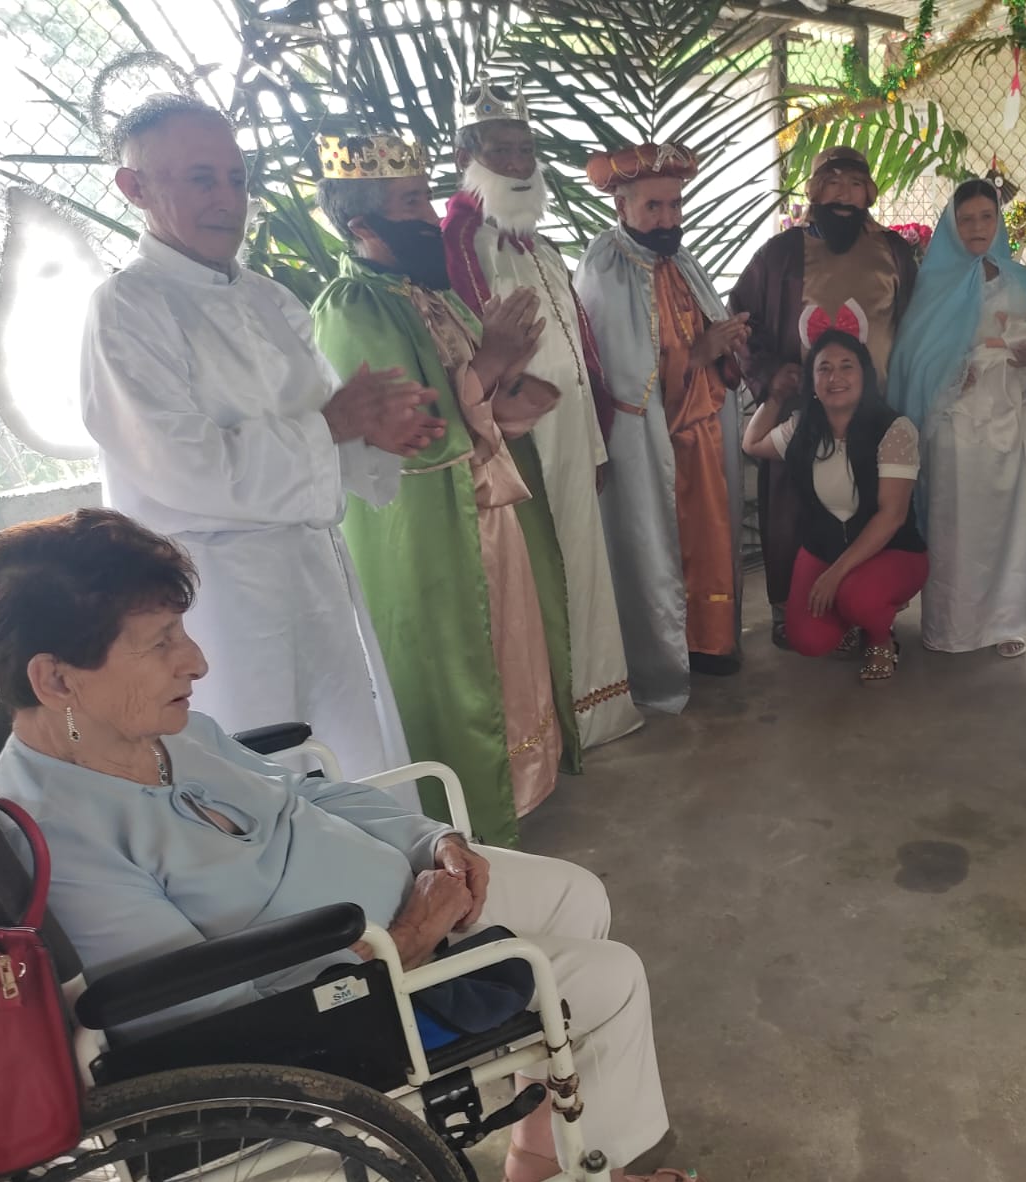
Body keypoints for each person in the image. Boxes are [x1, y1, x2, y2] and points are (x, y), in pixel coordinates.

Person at [0, 508, 709, 1182]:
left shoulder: (163, 731)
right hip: (345, 992)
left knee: (578, 894)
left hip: (400, 905)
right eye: (159, 643)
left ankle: (543, 1151)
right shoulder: (59, 836)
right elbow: (202, 1015)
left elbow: (305, 794)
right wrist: (408, 940)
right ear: (56, 680)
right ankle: (591, 1173)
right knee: (611, 980)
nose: (197, 661)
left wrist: (433, 840)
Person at [80, 95, 438, 783]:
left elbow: (327, 423)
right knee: (258, 769)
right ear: (134, 187)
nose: (227, 200)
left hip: (314, 572)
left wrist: (376, 436)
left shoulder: (271, 300)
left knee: (349, 753)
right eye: (201, 179)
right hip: (218, 594)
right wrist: (335, 428)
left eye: (236, 178)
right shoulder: (127, 308)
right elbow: (182, 466)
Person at [309, 131, 561, 844]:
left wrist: (506, 370)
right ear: (364, 225)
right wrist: (493, 361)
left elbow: (480, 394)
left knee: (510, 647)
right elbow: (417, 431)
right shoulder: (353, 306)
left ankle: (519, 782)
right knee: (457, 664)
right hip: (431, 520)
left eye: (424, 197)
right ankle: (470, 805)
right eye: (412, 202)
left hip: (486, 507)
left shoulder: (429, 292)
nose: (431, 215)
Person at [441, 81, 642, 757]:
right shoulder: (459, 244)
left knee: (585, 568)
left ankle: (600, 709)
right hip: (521, 443)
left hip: (571, 434)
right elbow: (467, 356)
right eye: (502, 150)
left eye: (526, 149)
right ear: (466, 158)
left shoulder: (543, 248)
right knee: (544, 577)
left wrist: (596, 440)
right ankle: (557, 724)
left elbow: (582, 351)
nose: (519, 164)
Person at [573, 141, 746, 708]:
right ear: (621, 206)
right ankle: (663, 657)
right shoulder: (607, 264)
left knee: (708, 539)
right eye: (654, 206)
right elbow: (626, 379)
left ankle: (708, 643)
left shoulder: (681, 260)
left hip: (701, 432)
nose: (668, 218)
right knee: (658, 546)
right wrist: (700, 353)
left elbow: (706, 334)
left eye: (675, 205)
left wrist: (727, 344)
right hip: (649, 440)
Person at [730, 147, 918, 649]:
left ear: (869, 194)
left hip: (873, 416)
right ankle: (787, 606)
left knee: (870, 505)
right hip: (800, 410)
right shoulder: (780, 255)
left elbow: (916, 326)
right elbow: (741, 319)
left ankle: (869, 611)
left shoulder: (894, 253)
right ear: (813, 191)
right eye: (831, 182)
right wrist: (773, 376)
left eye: (855, 184)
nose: (843, 195)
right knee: (792, 511)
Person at [888, 179, 1026, 658]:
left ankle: (1006, 622)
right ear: (952, 226)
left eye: (986, 217)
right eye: (966, 219)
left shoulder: (1023, 281)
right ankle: (952, 626)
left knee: (1011, 528)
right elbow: (916, 359)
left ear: (998, 221)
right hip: (957, 426)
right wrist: (956, 371)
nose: (976, 227)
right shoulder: (934, 288)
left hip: (1015, 423)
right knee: (958, 529)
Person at [742, 329, 928, 685]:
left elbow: (892, 516)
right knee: (809, 640)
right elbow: (752, 444)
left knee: (858, 597)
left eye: (846, 366)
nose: (835, 377)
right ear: (812, 382)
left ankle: (879, 638)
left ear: (864, 376)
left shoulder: (894, 430)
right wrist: (776, 397)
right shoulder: (802, 427)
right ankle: (851, 616)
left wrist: (834, 575)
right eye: (824, 368)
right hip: (823, 549)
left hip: (893, 552)